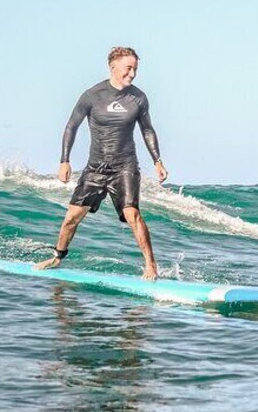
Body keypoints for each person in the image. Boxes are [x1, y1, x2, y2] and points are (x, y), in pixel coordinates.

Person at [34, 47, 168, 280]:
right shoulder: (92, 95)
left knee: (132, 214)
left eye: (135, 69)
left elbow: (147, 129)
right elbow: (71, 127)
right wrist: (64, 160)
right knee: (71, 218)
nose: (133, 73)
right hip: (95, 168)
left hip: (125, 166)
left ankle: (151, 266)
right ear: (113, 66)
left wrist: (157, 160)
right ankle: (57, 257)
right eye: (129, 68)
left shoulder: (138, 98)